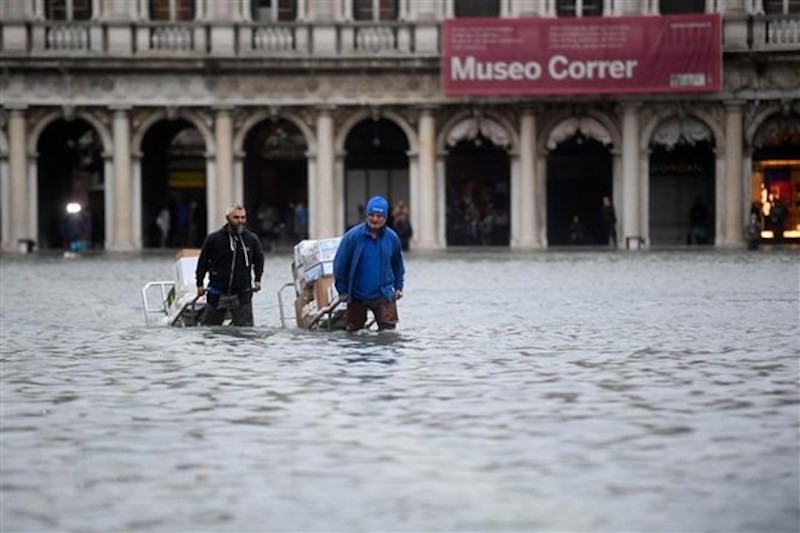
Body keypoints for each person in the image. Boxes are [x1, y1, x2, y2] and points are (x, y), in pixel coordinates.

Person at [333, 195, 405, 332]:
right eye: (372, 215)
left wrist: (399, 286)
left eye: (379, 216)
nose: (375, 219)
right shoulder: (352, 237)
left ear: (385, 218)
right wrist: (342, 290)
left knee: (389, 332)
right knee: (354, 332)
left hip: (384, 294)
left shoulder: (392, 238)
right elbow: (340, 265)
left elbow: (398, 265)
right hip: (356, 294)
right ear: (366, 215)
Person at [195, 204, 265, 326]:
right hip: (217, 292)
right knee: (210, 330)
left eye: (243, 218)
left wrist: (258, 279)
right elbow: (203, 262)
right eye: (236, 217)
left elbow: (259, 260)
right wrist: (199, 284)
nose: (240, 221)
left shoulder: (252, 239)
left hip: (242, 292)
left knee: (246, 331)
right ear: (228, 218)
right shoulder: (214, 239)